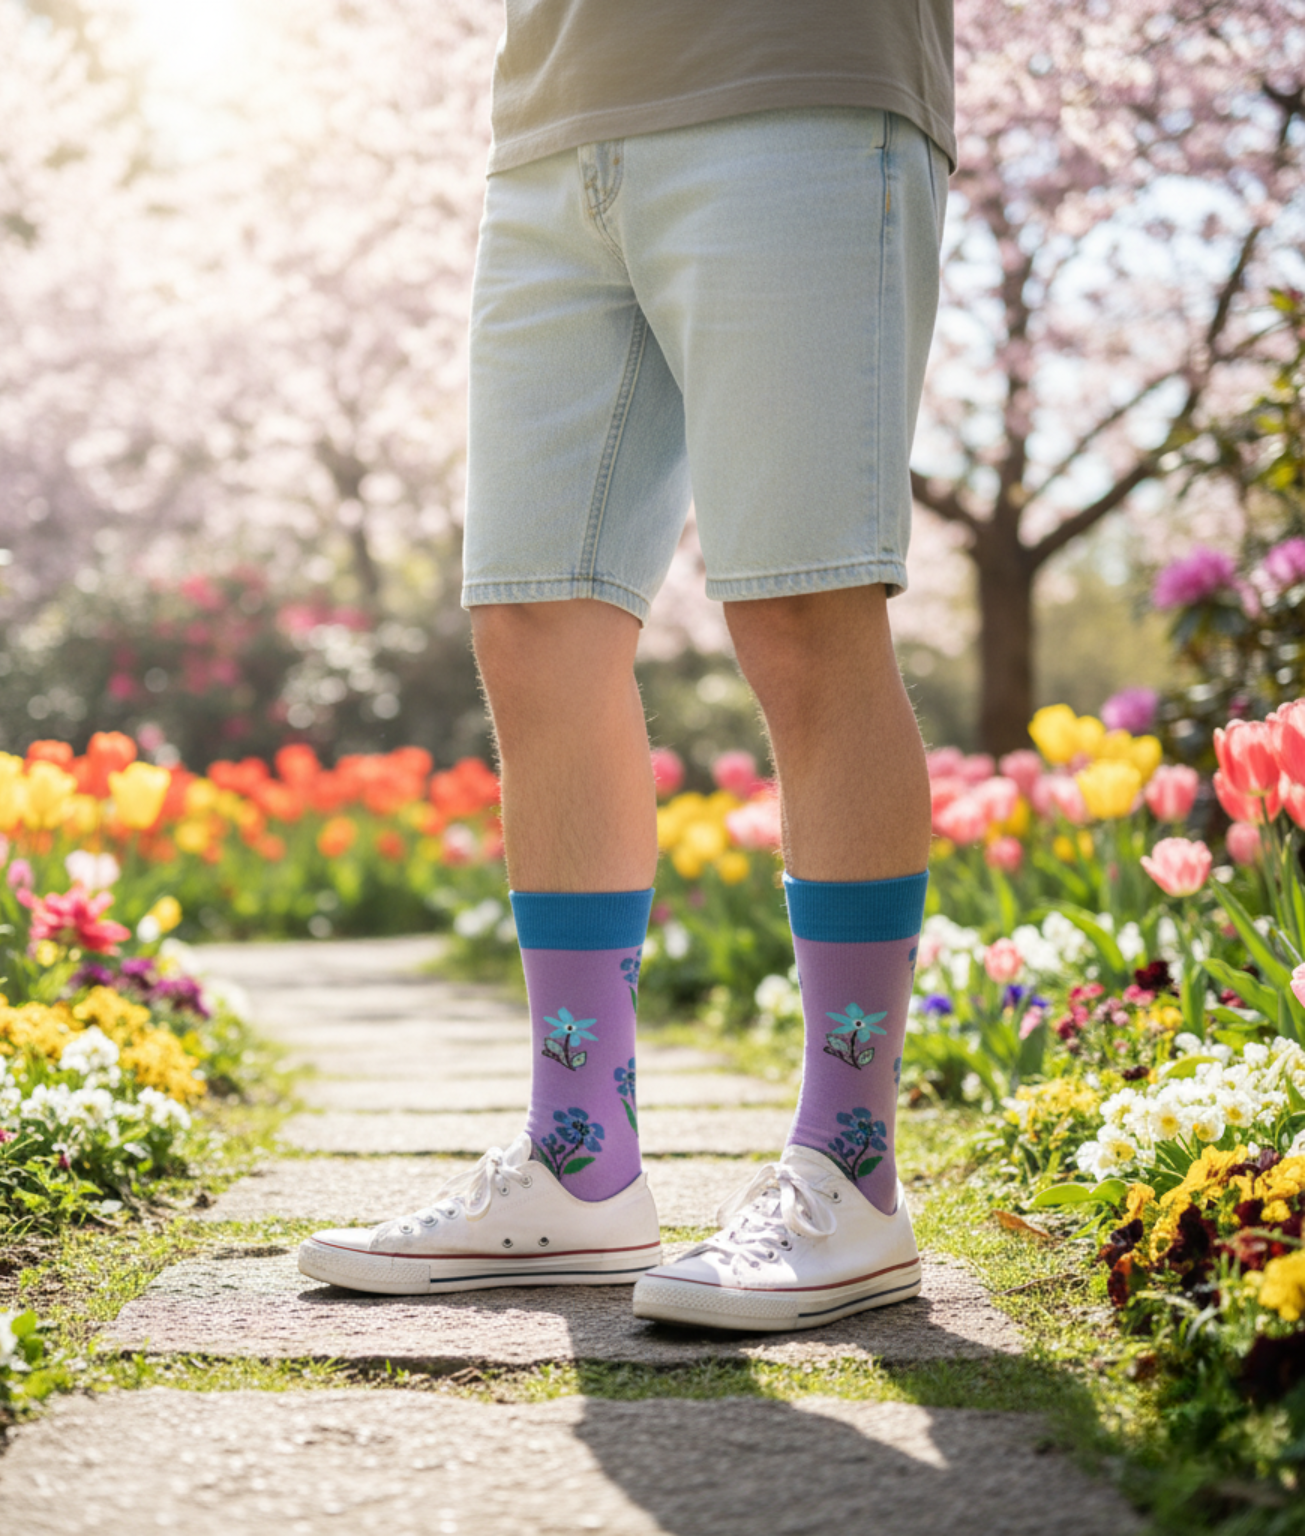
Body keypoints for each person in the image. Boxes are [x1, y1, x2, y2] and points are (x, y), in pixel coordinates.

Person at [298, 0, 954, 1331]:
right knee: (534, 623)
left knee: (801, 608)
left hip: (796, 80)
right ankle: (582, 1164)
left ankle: (853, 1175)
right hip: (556, 121)